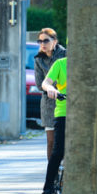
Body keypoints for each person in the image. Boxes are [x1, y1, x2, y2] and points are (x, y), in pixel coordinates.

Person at [33, 28, 66, 160]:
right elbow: (39, 83)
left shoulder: (65, 55)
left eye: (46, 40)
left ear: (55, 41)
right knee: (51, 142)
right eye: (40, 41)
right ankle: (53, 175)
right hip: (48, 103)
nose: (43, 44)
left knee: (65, 141)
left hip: (65, 101)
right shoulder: (38, 59)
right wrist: (50, 88)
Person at [40, 57, 67, 194]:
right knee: (58, 151)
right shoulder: (60, 64)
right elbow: (46, 82)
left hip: (85, 113)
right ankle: (47, 191)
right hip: (64, 112)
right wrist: (51, 89)